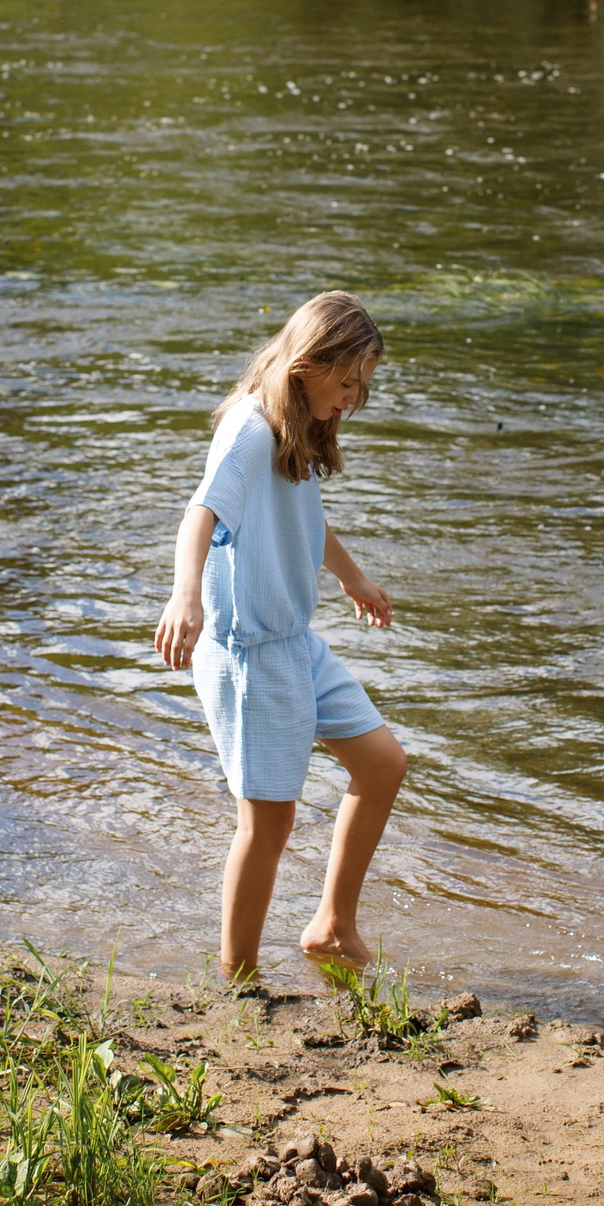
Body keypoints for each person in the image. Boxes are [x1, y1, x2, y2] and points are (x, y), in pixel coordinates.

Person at [155, 291, 406, 984]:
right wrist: (185, 597)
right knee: (267, 823)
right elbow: (199, 514)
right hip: (249, 654)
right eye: (348, 380)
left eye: (364, 384)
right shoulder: (247, 429)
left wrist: (353, 578)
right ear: (309, 362)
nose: (354, 398)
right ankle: (238, 977)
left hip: (296, 643)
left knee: (383, 763)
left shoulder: (293, 428)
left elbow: (304, 515)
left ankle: (331, 923)